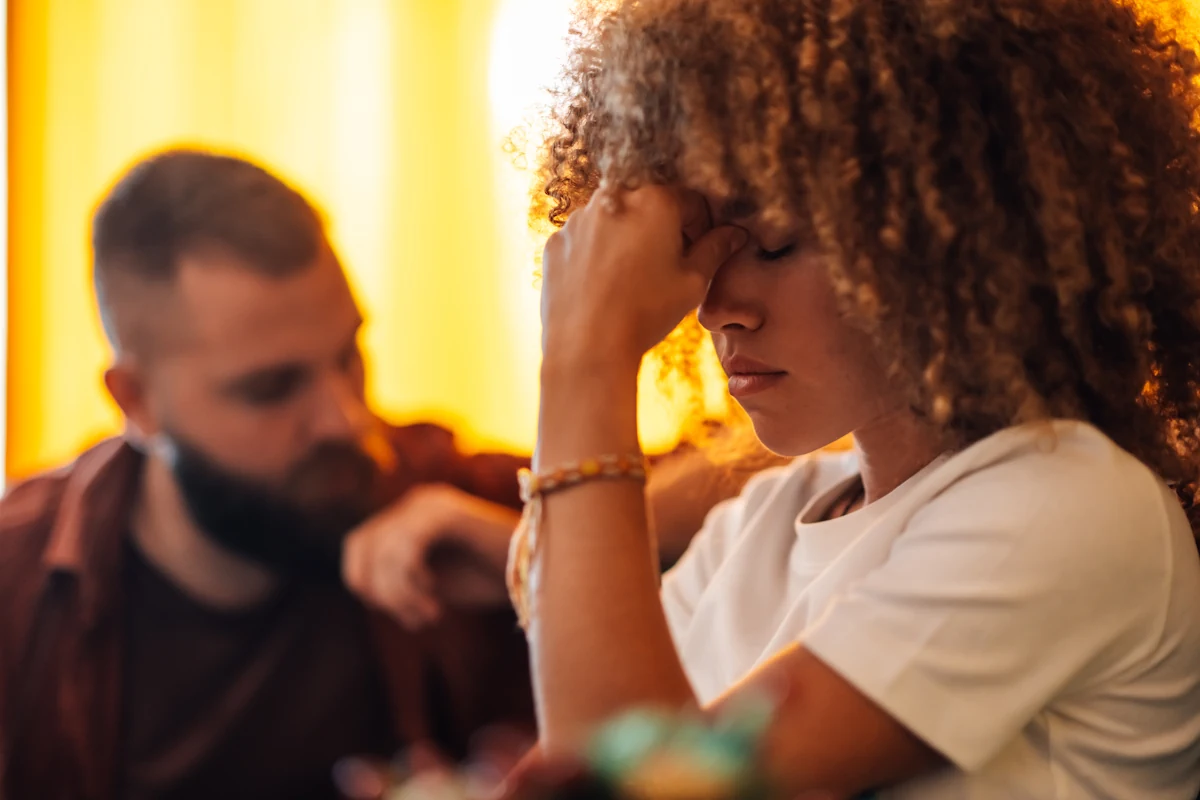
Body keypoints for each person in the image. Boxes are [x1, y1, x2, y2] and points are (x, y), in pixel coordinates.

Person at [512, 0, 1200, 798]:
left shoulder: (1070, 504)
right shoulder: (754, 529)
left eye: (771, 242)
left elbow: (616, 785)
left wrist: (586, 354)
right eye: (691, 249)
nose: (713, 307)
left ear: (954, 229)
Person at [0, 149, 746, 800]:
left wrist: (526, 544)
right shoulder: (18, 588)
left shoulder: (424, 488)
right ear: (137, 403)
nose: (347, 420)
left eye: (348, 357)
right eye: (271, 388)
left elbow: (770, 472)